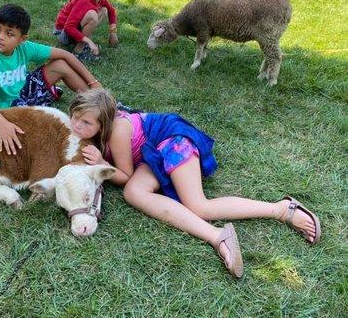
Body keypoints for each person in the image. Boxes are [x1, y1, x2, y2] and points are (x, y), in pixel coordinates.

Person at [68, 88, 321, 278]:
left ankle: (281, 209)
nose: (77, 125)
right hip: (149, 153)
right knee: (134, 194)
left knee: (199, 205)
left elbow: (123, 175)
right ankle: (217, 236)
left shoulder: (117, 131)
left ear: (104, 123)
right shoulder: (87, 130)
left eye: (86, 122)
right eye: (75, 117)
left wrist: (102, 163)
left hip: (171, 138)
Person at [0, 3, 102, 156]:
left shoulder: (25, 48)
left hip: (22, 93)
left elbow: (67, 55)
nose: (0, 36)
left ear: (22, 39)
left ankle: (98, 103)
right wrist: (1, 123)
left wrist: (94, 83)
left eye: (9, 33)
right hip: (1, 109)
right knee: (46, 132)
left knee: (60, 65)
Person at [53, 0, 119, 61]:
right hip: (63, 33)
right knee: (92, 15)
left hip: (72, 30)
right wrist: (89, 42)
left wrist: (113, 32)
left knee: (103, 10)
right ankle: (78, 51)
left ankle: (82, 42)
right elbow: (68, 27)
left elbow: (111, 11)